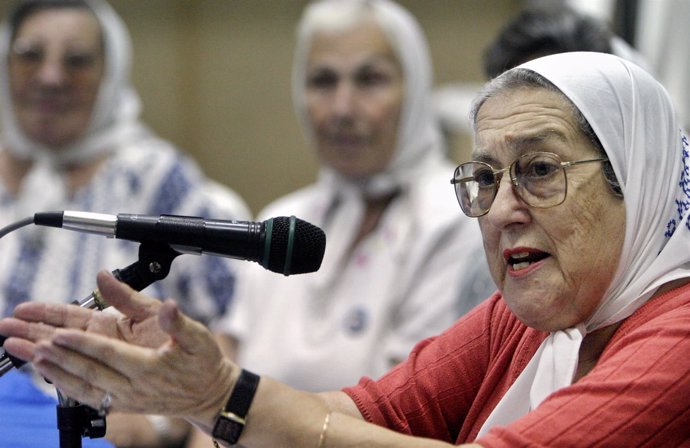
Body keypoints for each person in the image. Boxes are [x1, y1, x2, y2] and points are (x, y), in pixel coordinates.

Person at [3, 51, 690, 446]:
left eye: (540, 171)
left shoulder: (681, 335)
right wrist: (177, 387)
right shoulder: (524, 319)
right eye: (483, 177)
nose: (503, 209)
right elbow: (370, 412)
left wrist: (222, 395)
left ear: (642, 177)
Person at [0, 0, 251, 447]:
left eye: (77, 61)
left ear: (110, 72)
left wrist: (160, 425)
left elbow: (235, 327)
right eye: (29, 55)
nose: (50, 77)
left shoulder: (154, 178)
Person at [211, 0, 493, 394]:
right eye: (323, 81)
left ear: (414, 88)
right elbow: (222, 375)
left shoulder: (458, 217)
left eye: (370, 79)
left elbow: (401, 406)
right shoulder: (284, 220)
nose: (342, 108)